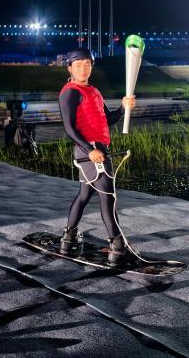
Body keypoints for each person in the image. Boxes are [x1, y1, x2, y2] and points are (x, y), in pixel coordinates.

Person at [58, 48, 136, 265]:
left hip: (97, 148)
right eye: (78, 65)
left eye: (87, 64)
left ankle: (68, 239)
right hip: (91, 151)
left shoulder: (93, 91)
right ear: (70, 68)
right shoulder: (70, 92)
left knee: (85, 195)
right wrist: (89, 150)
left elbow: (106, 120)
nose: (84, 69)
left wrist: (123, 108)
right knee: (108, 196)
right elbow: (69, 128)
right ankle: (117, 246)